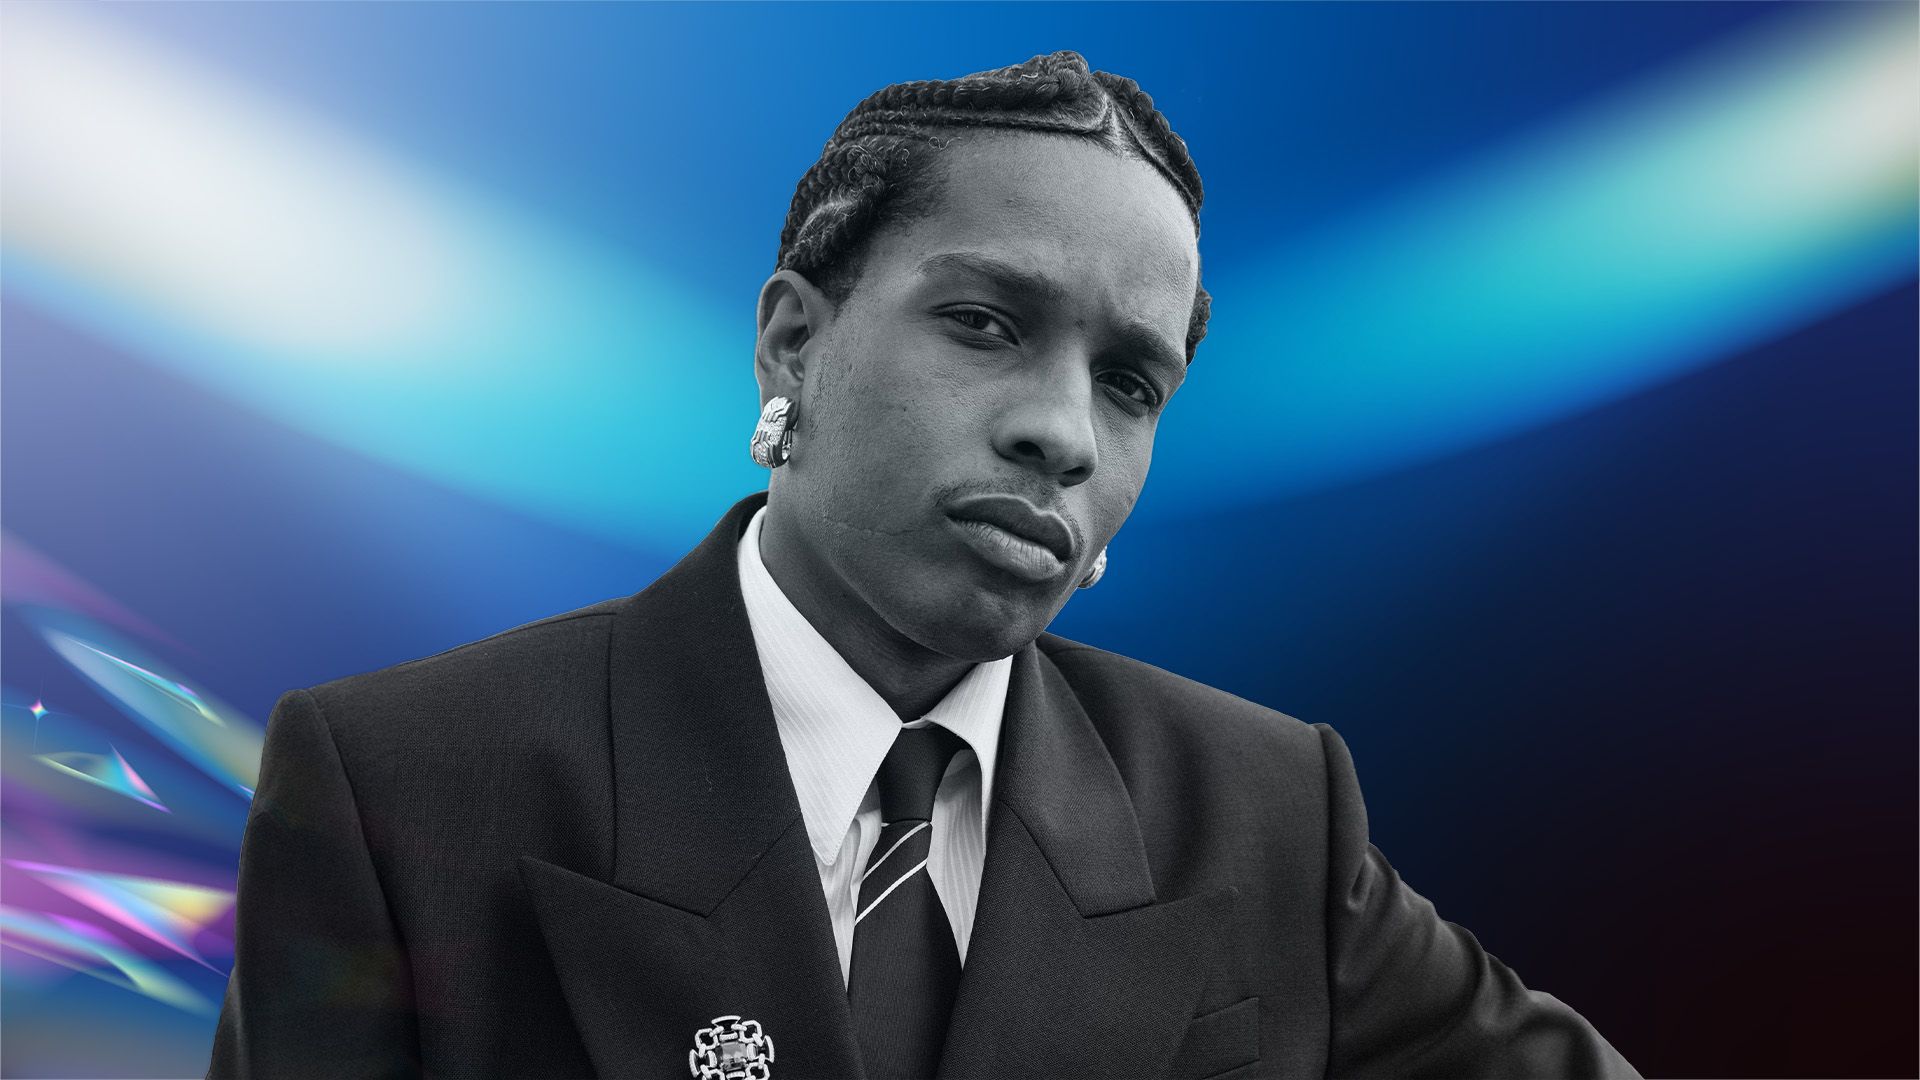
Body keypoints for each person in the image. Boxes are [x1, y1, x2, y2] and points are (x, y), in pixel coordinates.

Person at [209, 51, 1641, 1080]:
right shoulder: (399, 786)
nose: (1062, 433)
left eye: (1131, 385)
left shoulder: (1265, 814)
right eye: (984, 323)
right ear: (794, 343)